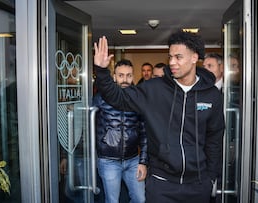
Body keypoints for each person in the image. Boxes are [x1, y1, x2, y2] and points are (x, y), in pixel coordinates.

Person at [94, 31, 225, 203]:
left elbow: (214, 137)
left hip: (198, 184)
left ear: (194, 57)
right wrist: (102, 71)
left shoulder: (211, 95)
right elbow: (118, 98)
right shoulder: (154, 89)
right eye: (170, 56)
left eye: (178, 57)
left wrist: (210, 177)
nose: (172, 62)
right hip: (161, 184)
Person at [93, 59, 148, 203]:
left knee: (140, 199)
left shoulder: (139, 99)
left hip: (133, 160)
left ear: (133, 77)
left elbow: (144, 133)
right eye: (121, 75)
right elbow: (87, 126)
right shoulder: (100, 99)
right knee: (112, 201)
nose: (125, 79)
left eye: (129, 75)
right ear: (114, 77)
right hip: (108, 161)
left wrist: (143, 161)